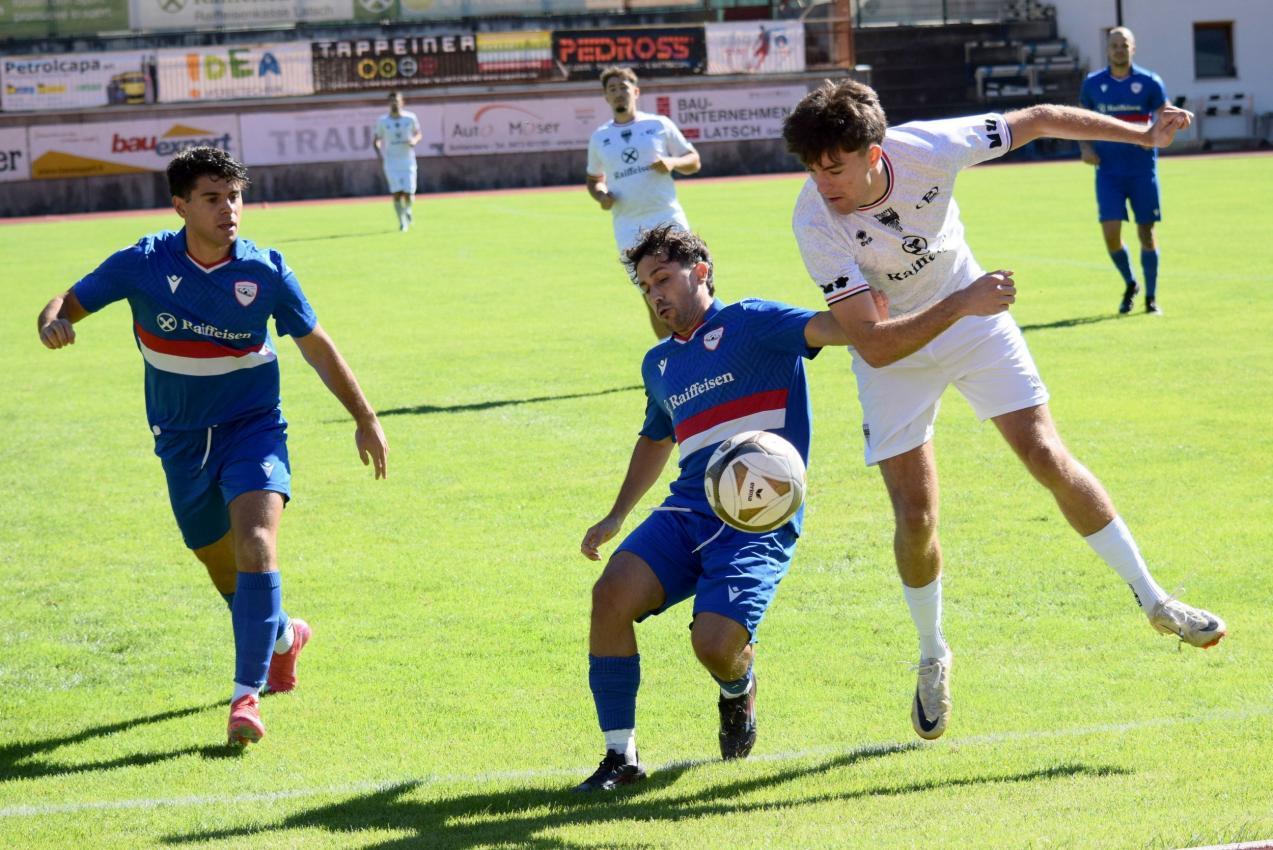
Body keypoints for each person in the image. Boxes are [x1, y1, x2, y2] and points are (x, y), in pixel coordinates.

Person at [782, 79, 1225, 742]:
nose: (822, 182)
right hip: (902, 342)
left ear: (875, 152)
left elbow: (1041, 118)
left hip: (972, 320)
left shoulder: (930, 147)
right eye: (811, 169)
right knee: (915, 515)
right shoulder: (813, 221)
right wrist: (963, 302)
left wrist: (1140, 136)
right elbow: (872, 346)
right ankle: (932, 654)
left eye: (834, 167)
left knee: (1045, 453)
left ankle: (1156, 602)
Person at [574, 223, 1018, 791]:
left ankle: (738, 688)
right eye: (645, 287)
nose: (656, 295)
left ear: (701, 272)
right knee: (610, 594)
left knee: (713, 647)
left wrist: (916, 306)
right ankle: (621, 758)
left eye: (663, 278)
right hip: (688, 510)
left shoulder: (753, 322)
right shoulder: (658, 363)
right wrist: (615, 516)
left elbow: (842, 329)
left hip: (759, 521)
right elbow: (656, 437)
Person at [36, 146, 389, 747]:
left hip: (253, 428)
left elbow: (315, 343)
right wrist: (51, 323)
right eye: (213, 199)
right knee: (218, 562)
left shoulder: (267, 269)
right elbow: (64, 302)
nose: (229, 210)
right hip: (178, 440)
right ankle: (283, 638)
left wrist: (365, 416)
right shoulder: (141, 262)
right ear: (181, 206)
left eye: (235, 197)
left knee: (256, 544)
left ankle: (245, 696)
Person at [586, 67, 701, 339]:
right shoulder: (599, 137)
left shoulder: (658, 124)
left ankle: (705, 348)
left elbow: (693, 160)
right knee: (651, 292)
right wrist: (601, 194)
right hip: (628, 226)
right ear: (605, 97)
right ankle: (668, 356)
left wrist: (672, 162)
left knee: (691, 283)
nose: (618, 93)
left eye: (623, 87)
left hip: (667, 217)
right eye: (612, 89)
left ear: (636, 92)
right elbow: (594, 179)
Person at [1079, 27, 1169, 315]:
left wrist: (1158, 134)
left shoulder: (1150, 82)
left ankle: (1151, 298)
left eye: (1124, 44)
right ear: (1107, 49)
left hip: (1142, 170)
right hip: (1108, 172)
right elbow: (1081, 121)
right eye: (1114, 45)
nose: (1119, 49)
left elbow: (1164, 117)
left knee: (1146, 233)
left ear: (1133, 48)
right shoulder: (1093, 83)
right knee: (1111, 235)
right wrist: (1085, 148)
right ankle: (1131, 283)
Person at [373, 91, 423, 232]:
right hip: (391, 162)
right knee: (397, 193)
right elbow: (377, 138)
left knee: (408, 193)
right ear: (388, 103)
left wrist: (414, 140)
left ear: (402, 102)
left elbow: (419, 133)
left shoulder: (410, 118)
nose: (394, 103)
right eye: (392, 101)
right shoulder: (383, 121)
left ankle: (408, 210)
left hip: (407, 161)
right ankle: (402, 223)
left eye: (397, 100)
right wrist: (377, 146)